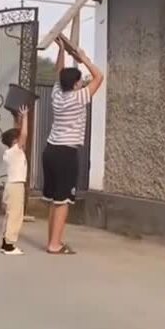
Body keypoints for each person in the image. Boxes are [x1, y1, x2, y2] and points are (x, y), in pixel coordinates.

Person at [41, 37, 104, 255]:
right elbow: (99, 77)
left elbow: (59, 73)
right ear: (76, 84)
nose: (81, 84)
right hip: (65, 154)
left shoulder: (57, 95)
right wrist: (83, 58)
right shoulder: (78, 98)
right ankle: (55, 245)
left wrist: (61, 50)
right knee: (63, 201)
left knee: (54, 200)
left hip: (50, 151)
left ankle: (52, 240)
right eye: (79, 81)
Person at [0, 105, 31, 255]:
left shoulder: (9, 153)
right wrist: (25, 117)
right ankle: (9, 245)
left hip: (10, 185)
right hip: (16, 186)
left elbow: (20, 133)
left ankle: (5, 242)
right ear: (15, 141)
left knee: (10, 214)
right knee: (15, 215)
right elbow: (24, 134)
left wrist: (18, 119)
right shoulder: (16, 152)